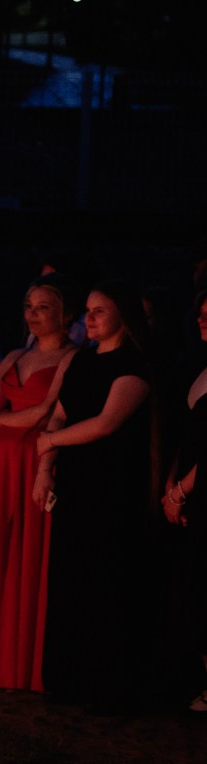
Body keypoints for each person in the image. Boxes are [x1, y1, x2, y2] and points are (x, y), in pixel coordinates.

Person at [0, 278, 77, 690]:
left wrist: (4, 421)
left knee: (30, 552)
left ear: (64, 314)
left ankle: (23, 662)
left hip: (36, 453)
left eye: (43, 307)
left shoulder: (73, 357)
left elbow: (47, 411)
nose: (33, 314)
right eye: (28, 306)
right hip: (2, 459)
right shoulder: (15, 356)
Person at [36, 282, 157, 710]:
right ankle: (66, 678)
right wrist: (45, 469)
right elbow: (60, 414)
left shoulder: (134, 365)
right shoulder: (82, 361)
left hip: (111, 487)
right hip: (74, 482)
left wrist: (51, 442)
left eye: (99, 311)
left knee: (104, 579)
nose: (88, 318)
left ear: (123, 314)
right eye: (87, 310)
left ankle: (106, 685)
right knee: (70, 576)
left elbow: (107, 422)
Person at [166, 287, 207, 713]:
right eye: (200, 313)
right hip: (191, 490)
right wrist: (171, 485)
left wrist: (180, 490)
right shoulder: (197, 365)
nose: (202, 320)